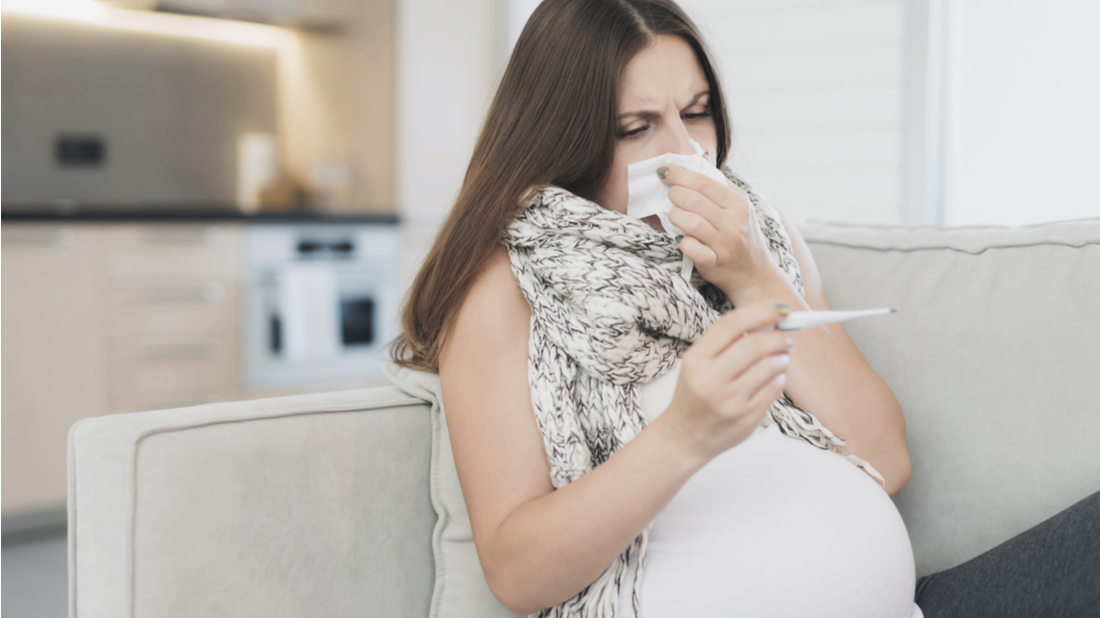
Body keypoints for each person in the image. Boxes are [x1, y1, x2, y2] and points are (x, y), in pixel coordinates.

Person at [392, 1, 1100, 617]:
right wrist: (683, 435)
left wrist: (754, 276)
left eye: (696, 112)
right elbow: (517, 573)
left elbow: (883, 459)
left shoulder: (758, 233)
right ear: (562, 141)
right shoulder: (504, 286)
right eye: (637, 127)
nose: (684, 152)